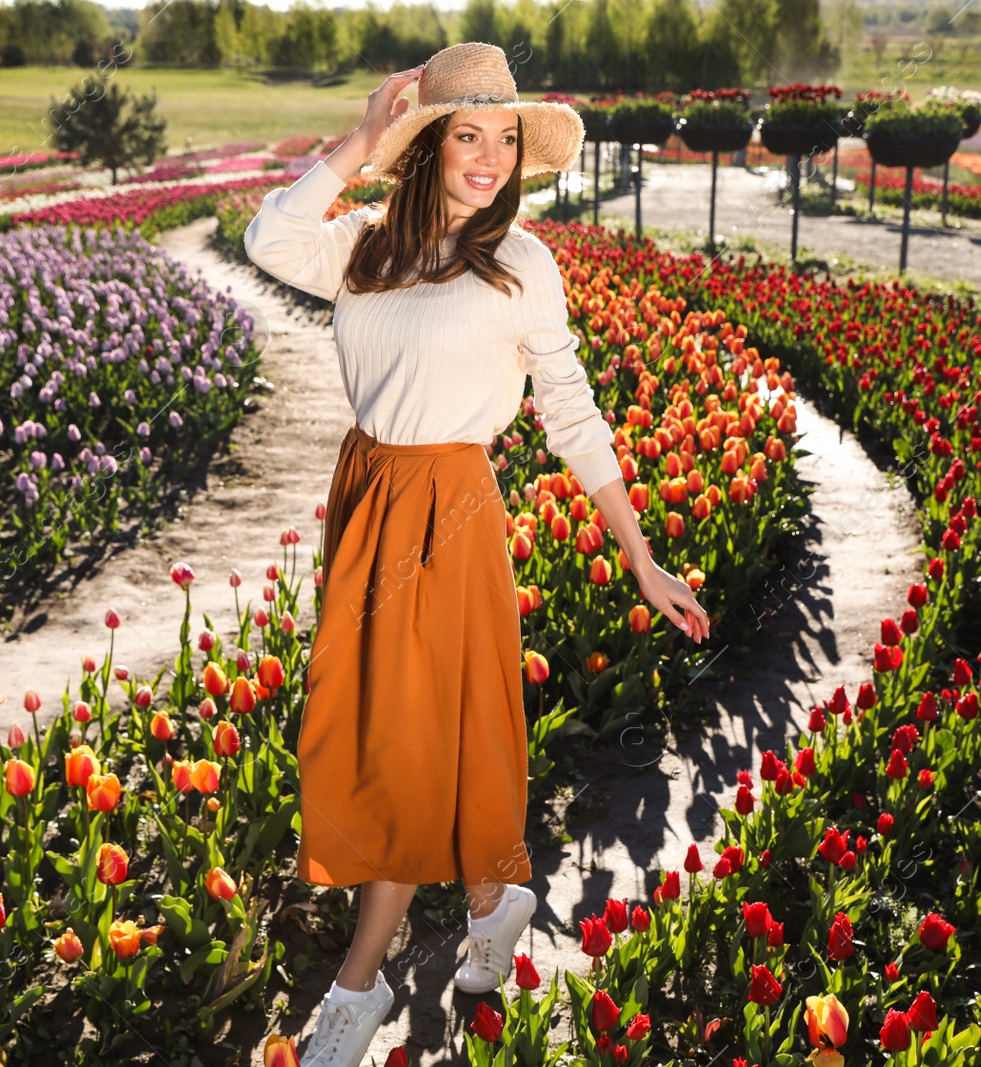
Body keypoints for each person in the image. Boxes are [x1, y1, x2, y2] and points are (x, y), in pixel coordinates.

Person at [243, 41, 710, 1067]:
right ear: (425, 148)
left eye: (504, 138)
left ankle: (355, 991)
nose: (490, 158)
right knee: (390, 728)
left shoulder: (522, 264)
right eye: (468, 134)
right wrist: (358, 142)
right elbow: (267, 234)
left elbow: (572, 411)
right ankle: (494, 902)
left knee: (412, 739)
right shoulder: (360, 247)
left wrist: (639, 555)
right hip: (366, 500)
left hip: (450, 515)